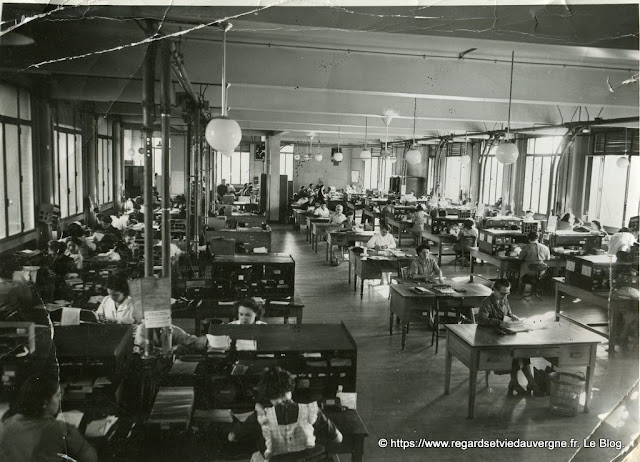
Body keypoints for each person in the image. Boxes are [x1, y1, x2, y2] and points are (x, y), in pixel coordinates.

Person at [228, 367, 342, 462]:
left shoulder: (261, 416)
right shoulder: (311, 410)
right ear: (291, 389)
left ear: (267, 396)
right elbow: (338, 439)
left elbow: (232, 437)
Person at [0, 375, 98, 462]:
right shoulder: (61, 429)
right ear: (45, 402)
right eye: (57, 395)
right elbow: (90, 458)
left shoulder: (6, 424)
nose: (60, 399)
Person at [476, 279, 544, 397]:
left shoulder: (504, 300)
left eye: (507, 293)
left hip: (504, 335)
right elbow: (481, 319)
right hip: (491, 339)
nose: (505, 296)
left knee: (520, 351)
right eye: (502, 293)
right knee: (514, 352)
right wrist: (498, 323)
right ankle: (528, 383)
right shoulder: (487, 302)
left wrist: (513, 317)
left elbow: (508, 314)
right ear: (494, 290)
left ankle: (517, 382)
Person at [518, 232, 551, 297]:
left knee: (521, 269)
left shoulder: (527, 247)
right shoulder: (545, 247)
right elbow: (548, 258)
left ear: (528, 239)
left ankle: (520, 290)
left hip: (528, 271)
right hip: (541, 271)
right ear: (538, 238)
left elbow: (520, 257)